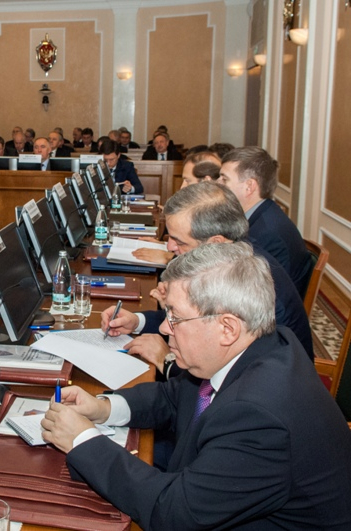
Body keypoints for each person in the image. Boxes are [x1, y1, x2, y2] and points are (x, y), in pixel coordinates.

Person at [42, 242, 351, 530]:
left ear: (226, 328)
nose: (164, 328)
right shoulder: (259, 344)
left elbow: (174, 513)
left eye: (174, 317)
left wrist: (82, 440)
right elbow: (176, 395)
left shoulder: (259, 417)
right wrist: (104, 408)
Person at [106, 181, 313, 370]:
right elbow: (192, 320)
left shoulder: (247, 287)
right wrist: (137, 321)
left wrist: (166, 360)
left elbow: (227, 381)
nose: (169, 247)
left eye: (180, 242)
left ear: (215, 242)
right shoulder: (225, 261)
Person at [219, 146, 312, 297]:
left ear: (249, 186)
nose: (218, 184)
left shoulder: (265, 232)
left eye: (224, 179)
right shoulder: (262, 213)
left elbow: (248, 291)